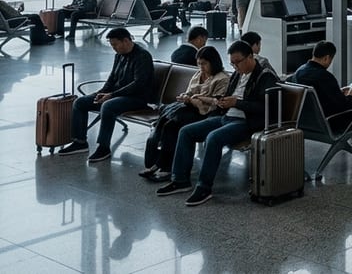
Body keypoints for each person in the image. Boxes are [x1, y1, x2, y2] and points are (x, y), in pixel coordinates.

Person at [156, 41, 279, 206]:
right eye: (232, 63)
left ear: (250, 57)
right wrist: (222, 102)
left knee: (213, 138)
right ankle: (180, 180)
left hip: (246, 122)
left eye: (238, 62)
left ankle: (204, 187)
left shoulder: (265, 76)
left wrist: (236, 103)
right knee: (186, 131)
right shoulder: (238, 74)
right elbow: (229, 96)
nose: (235, 66)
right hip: (227, 116)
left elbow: (266, 107)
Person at [57, 28, 154, 162]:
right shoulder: (119, 55)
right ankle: (80, 142)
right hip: (117, 95)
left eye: (115, 44)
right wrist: (101, 92)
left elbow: (138, 84)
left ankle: (103, 147)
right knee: (80, 102)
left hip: (137, 98)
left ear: (126, 41)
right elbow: (112, 78)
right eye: (112, 45)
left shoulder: (143, 56)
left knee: (108, 106)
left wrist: (111, 95)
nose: (114, 48)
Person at [140, 46, 230, 181]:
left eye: (204, 63)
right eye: (199, 63)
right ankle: (157, 163)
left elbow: (217, 101)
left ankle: (164, 166)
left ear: (213, 62)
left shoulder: (222, 78)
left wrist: (196, 98)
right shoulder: (198, 74)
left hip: (206, 113)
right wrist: (186, 96)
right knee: (165, 123)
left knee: (172, 126)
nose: (201, 67)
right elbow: (189, 91)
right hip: (190, 108)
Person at [291, 41, 352, 152]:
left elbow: (319, 96)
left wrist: (338, 92)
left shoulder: (299, 72)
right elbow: (344, 106)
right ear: (327, 58)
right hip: (330, 124)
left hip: (306, 124)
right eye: (331, 60)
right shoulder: (325, 76)